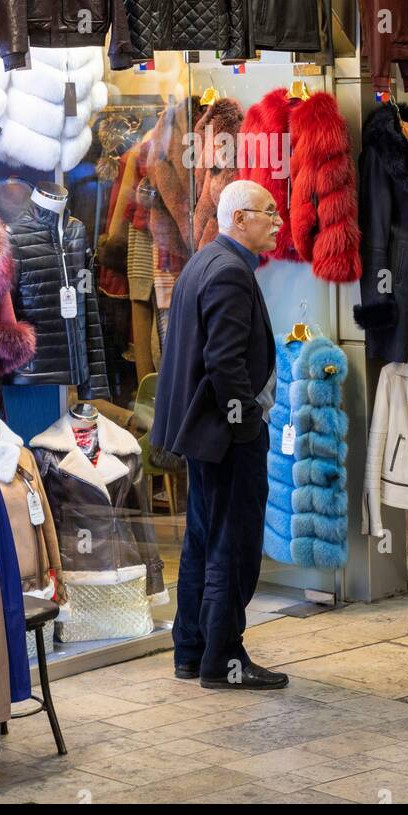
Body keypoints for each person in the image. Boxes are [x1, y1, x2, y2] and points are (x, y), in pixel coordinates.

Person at [151, 180, 288, 690]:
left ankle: (192, 652)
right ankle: (224, 661)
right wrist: (248, 423)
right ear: (237, 219)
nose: (277, 221)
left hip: (205, 435)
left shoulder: (205, 262)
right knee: (233, 547)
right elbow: (225, 362)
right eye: (267, 213)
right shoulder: (229, 272)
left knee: (204, 543)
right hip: (227, 437)